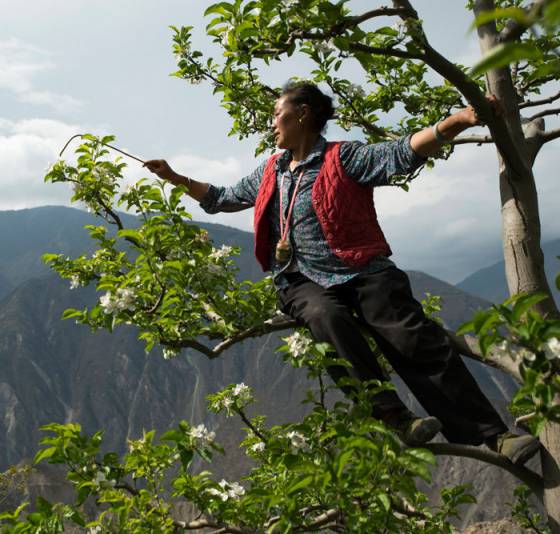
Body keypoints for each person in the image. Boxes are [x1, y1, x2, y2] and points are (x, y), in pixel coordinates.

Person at [144, 80, 539, 464]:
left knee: (413, 338)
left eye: (276, 115)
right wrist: (175, 177)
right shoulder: (271, 171)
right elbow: (221, 200)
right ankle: (394, 418)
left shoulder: (343, 157)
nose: (271, 123)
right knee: (324, 316)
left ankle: (495, 436)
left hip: (363, 270)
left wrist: (459, 120)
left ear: (302, 115)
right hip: (300, 280)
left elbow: (400, 153)